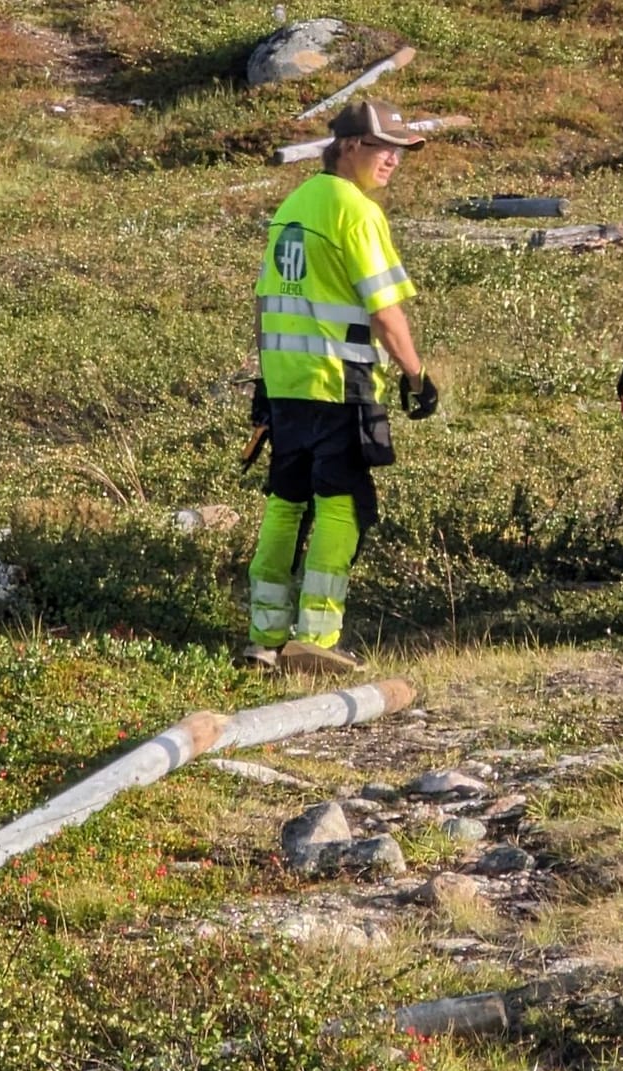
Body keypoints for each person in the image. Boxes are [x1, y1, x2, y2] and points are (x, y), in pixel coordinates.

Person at [245, 99, 439, 675]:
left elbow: (264, 303)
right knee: (342, 503)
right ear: (350, 145)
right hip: (338, 382)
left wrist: (265, 379)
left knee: (285, 502)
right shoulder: (355, 212)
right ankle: (318, 638)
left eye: (400, 152)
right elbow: (385, 310)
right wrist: (416, 374)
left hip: (286, 385)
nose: (394, 161)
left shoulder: (293, 205)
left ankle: (264, 636)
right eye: (384, 149)